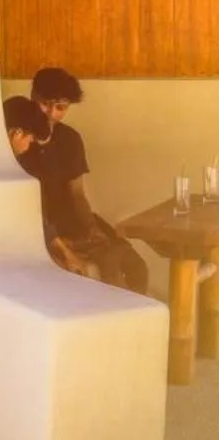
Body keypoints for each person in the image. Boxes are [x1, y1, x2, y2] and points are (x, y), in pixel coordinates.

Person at [14, 67, 149, 293]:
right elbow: (23, 205)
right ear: (33, 96)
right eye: (45, 103)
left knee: (135, 265)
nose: (50, 113)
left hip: (72, 220)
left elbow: (77, 194)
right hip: (40, 228)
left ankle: (138, 323)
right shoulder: (18, 141)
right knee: (106, 267)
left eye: (61, 108)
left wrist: (90, 228)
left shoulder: (70, 139)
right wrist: (59, 244)